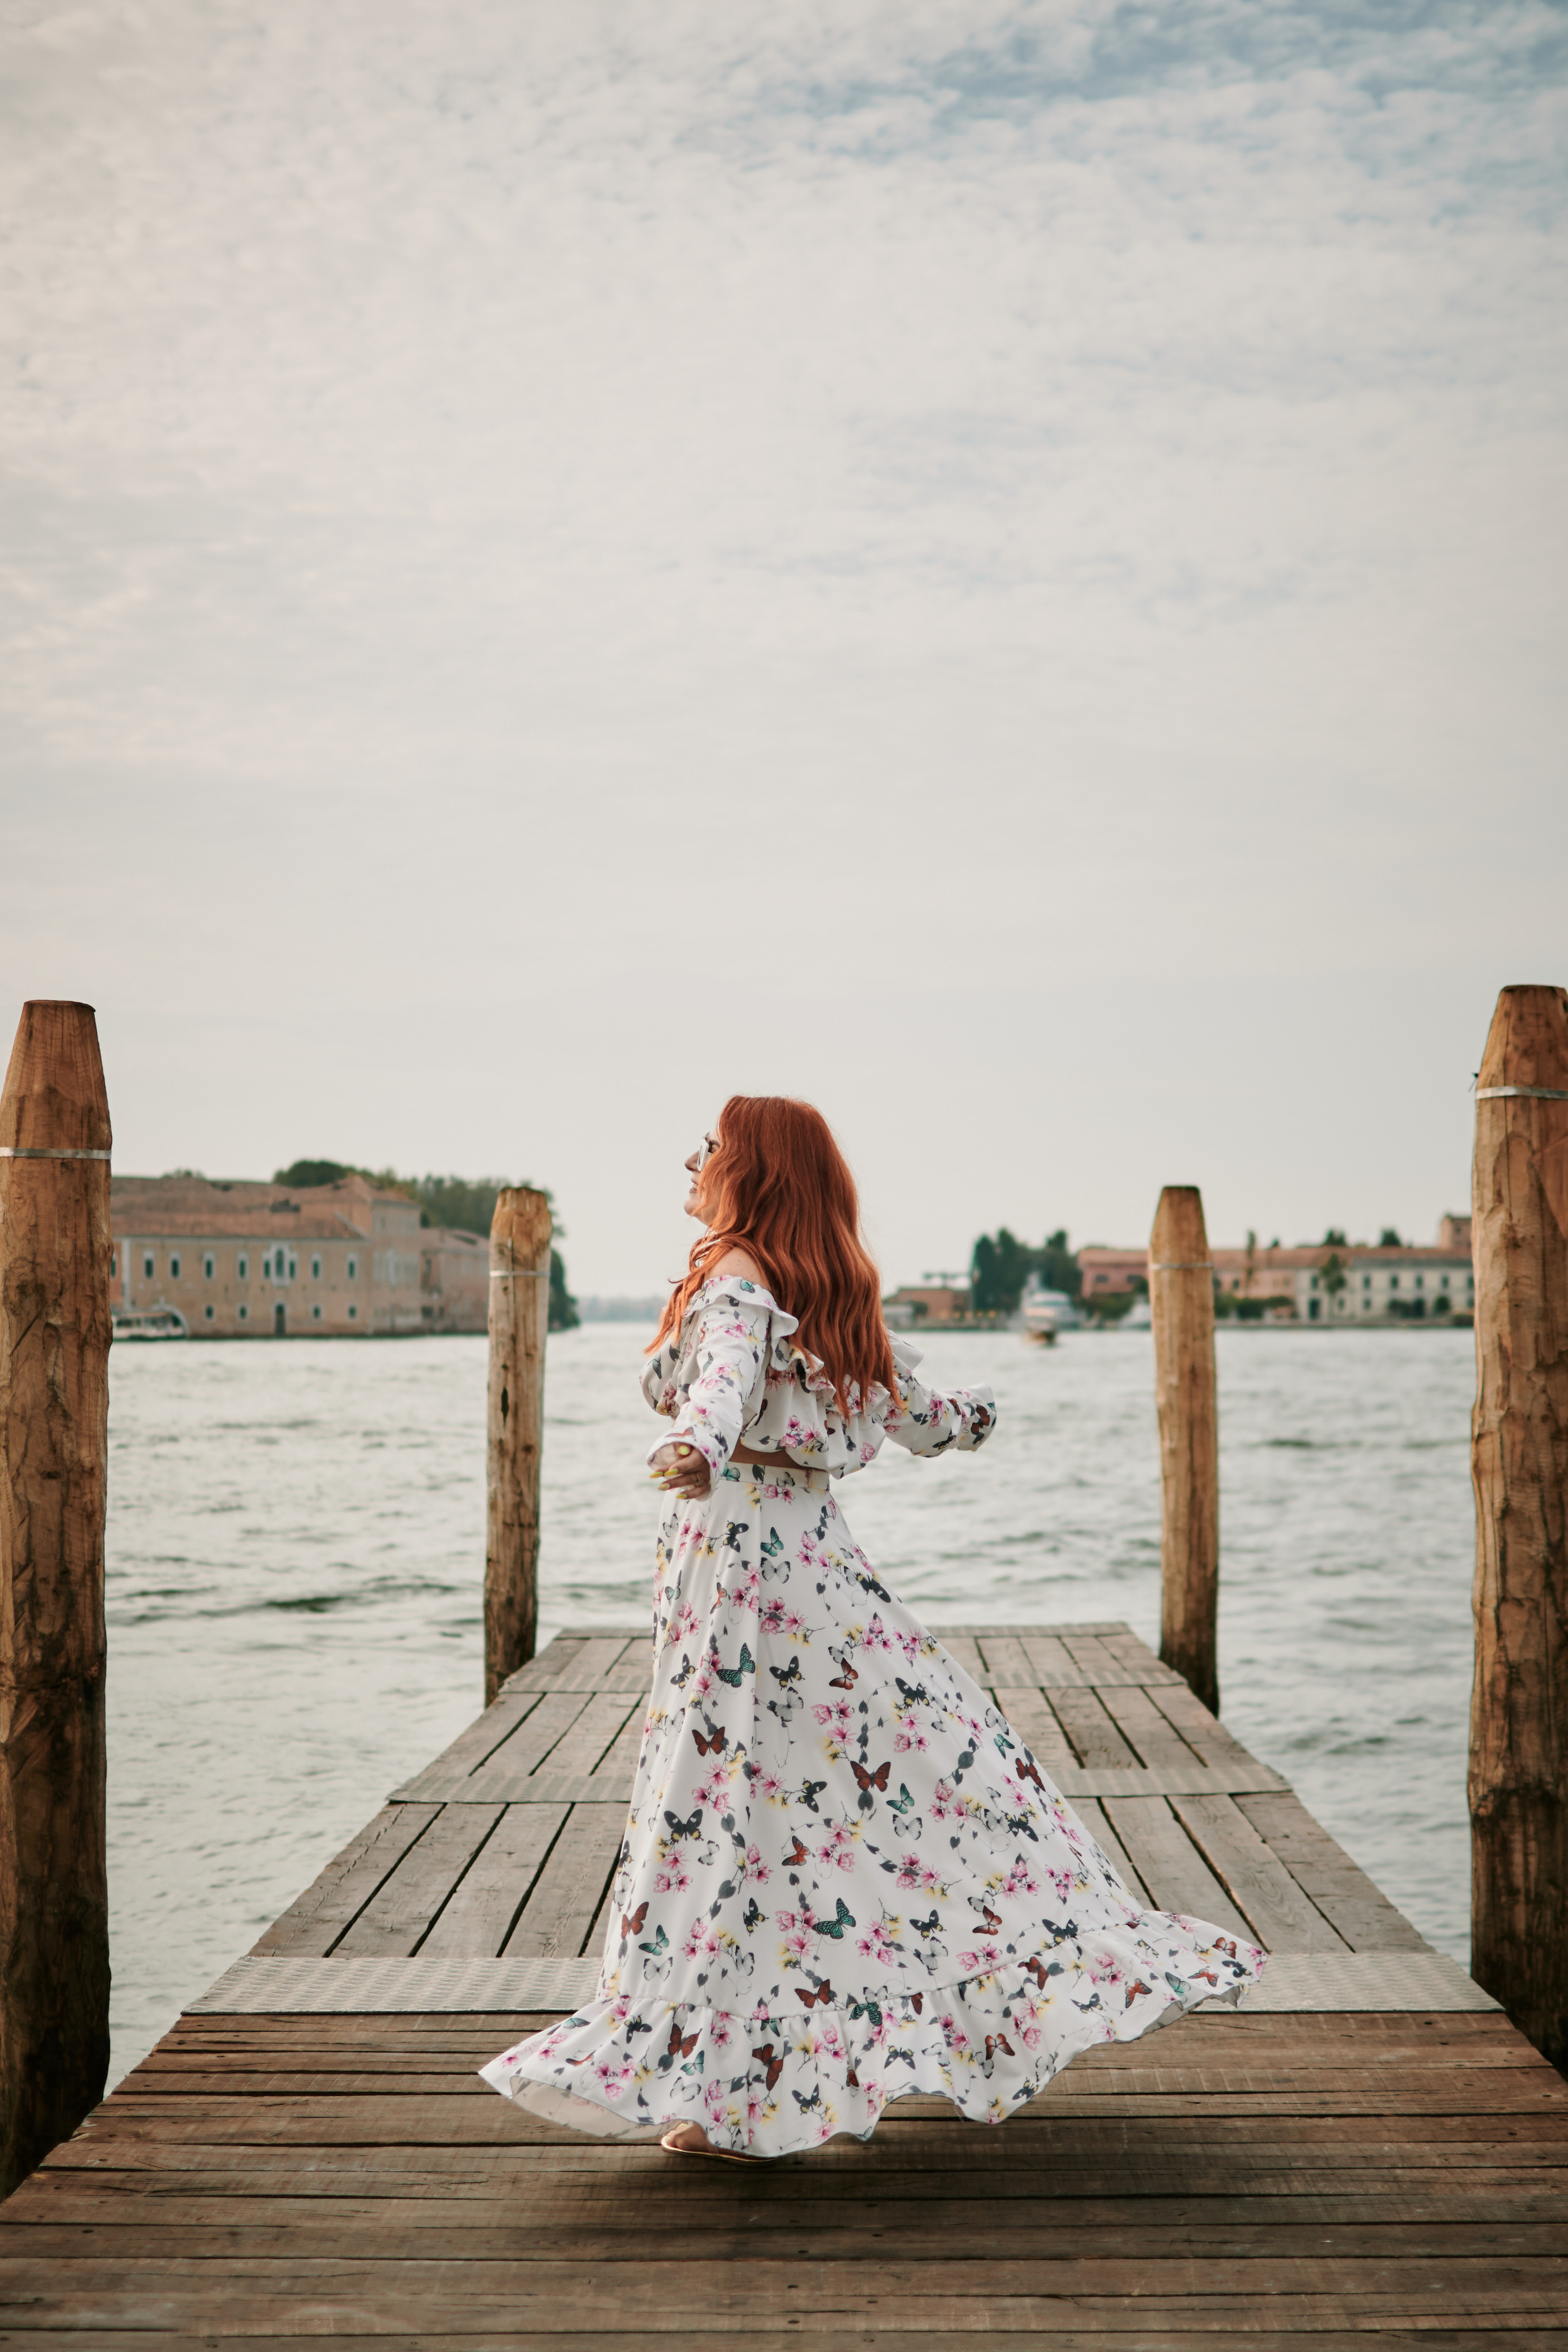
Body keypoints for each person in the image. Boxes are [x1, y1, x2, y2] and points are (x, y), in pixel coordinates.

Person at [480, 1096, 1264, 2159]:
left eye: (712, 1146)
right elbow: (924, 1418)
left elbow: (720, 1388)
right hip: (821, 1581)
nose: (696, 1159)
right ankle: (824, 2065)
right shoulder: (823, 1295)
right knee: (873, 1802)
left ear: (752, 1170)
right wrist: (981, 1411)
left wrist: (702, 1451)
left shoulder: (743, 1285)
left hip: (745, 1588)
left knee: (729, 1817)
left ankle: (730, 2092)